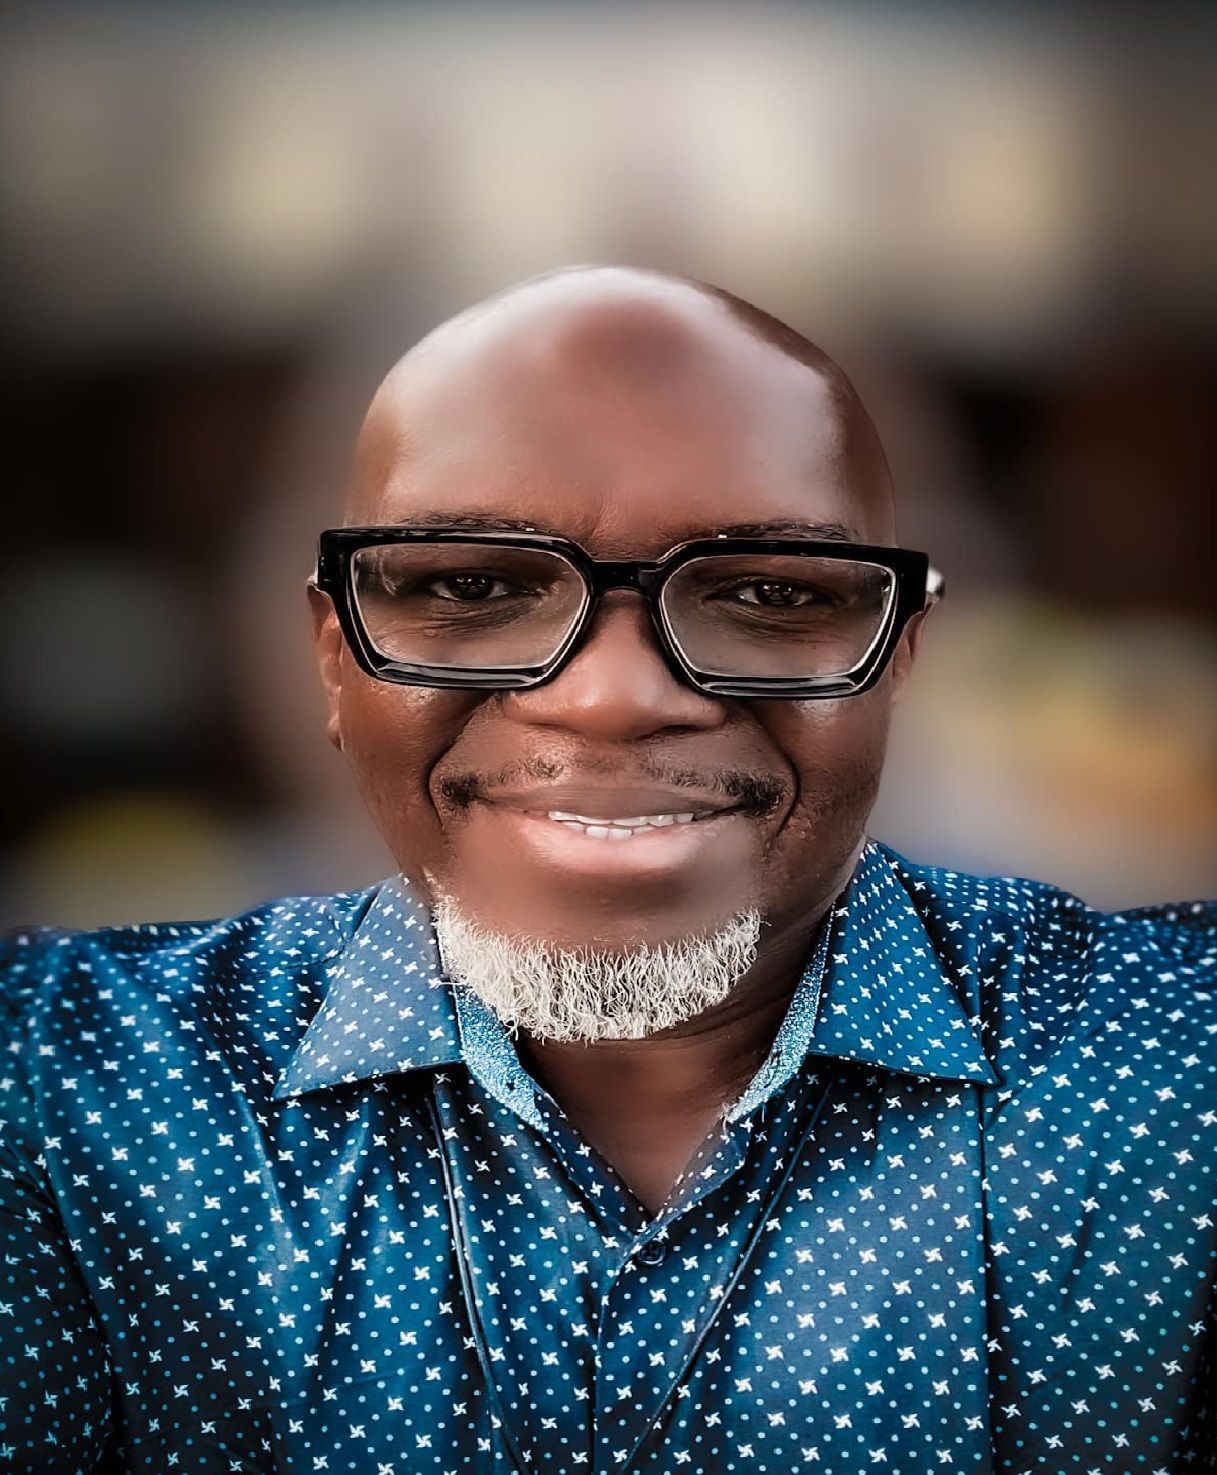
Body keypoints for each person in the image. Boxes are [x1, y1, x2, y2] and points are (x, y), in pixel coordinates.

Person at [2, 266, 1213, 1474]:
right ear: (324, 639)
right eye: (469, 583)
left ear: (904, 641)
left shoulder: (1150, 1065)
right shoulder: (83, 1080)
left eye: (765, 591)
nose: (610, 695)